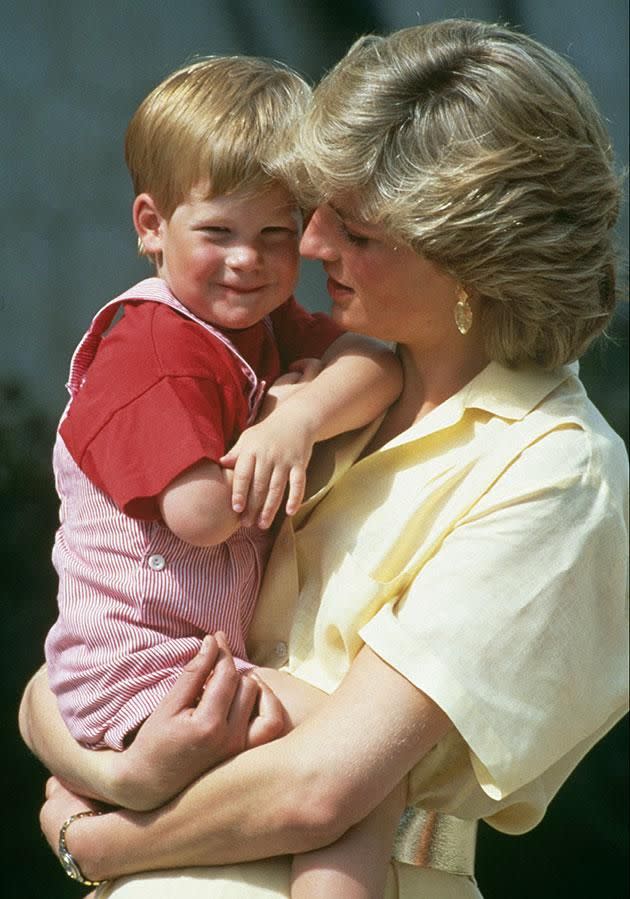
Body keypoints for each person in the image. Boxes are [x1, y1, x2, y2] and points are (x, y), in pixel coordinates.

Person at [21, 18, 628, 899]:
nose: (306, 248)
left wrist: (101, 839)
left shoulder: (553, 470)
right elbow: (67, 672)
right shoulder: (307, 383)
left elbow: (326, 784)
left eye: (356, 231)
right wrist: (117, 778)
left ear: (467, 260)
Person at [39, 54, 404, 898]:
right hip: (140, 671)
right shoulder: (152, 347)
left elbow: (379, 361)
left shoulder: (261, 329)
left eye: (278, 234)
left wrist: (298, 413)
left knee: (343, 775)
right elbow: (201, 512)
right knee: (356, 764)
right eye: (220, 233)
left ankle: (101, 829)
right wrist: (277, 429)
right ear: (152, 223)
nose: (250, 261)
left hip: (184, 664)